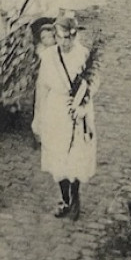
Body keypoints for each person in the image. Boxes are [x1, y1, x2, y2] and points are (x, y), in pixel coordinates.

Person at [33, 14, 96, 219]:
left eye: (69, 38)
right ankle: (65, 197)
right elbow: (42, 87)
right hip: (56, 108)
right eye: (61, 38)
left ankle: (75, 196)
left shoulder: (84, 55)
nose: (65, 42)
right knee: (57, 152)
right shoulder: (49, 56)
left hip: (78, 108)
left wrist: (83, 105)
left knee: (75, 153)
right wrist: (38, 116)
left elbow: (93, 83)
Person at [0, 0, 57, 116]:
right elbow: (6, 8)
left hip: (36, 29)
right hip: (18, 28)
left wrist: (36, 18)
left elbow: (53, 10)